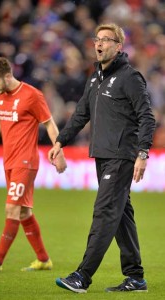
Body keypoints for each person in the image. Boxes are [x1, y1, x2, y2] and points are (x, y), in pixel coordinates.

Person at [48, 23, 156, 293]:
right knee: (121, 216)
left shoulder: (130, 78)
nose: (99, 44)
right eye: (97, 39)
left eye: (106, 40)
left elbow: (147, 117)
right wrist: (60, 141)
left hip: (122, 156)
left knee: (105, 212)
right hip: (102, 156)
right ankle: (135, 277)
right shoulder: (95, 78)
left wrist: (142, 153)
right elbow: (80, 115)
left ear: (119, 47)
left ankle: (82, 276)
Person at [0, 56, 67, 272]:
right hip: (9, 160)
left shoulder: (32, 95)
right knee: (23, 213)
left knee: (11, 208)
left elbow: (49, 124)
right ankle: (43, 259)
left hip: (26, 160)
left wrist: (58, 151)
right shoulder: (0, 96)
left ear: (7, 76)